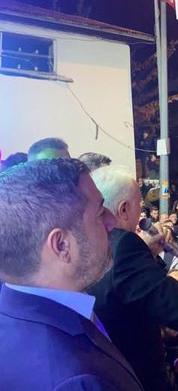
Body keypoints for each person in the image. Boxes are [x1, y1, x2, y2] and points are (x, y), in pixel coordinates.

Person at [0, 158, 141, 390]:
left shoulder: (12, 308)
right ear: (62, 245)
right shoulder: (78, 379)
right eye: (99, 213)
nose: (112, 220)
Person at [87, 164, 178, 391]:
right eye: (140, 207)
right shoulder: (125, 244)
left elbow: (122, 284)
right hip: (137, 373)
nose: (141, 216)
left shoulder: (94, 240)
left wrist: (148, 253)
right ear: (124, 209)